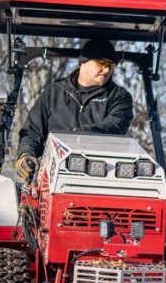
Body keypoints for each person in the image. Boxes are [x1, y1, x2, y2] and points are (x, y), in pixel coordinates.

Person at [14, 38, 134, 182]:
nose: (107, 69)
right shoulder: (54, 92)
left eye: (111, 65)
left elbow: (115, 126)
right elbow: (33, 131)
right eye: (102, 63)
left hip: (100, 174)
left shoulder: (118, 96)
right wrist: (26, 153)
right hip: (52, 175)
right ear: (84, 62)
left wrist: (77, 136)